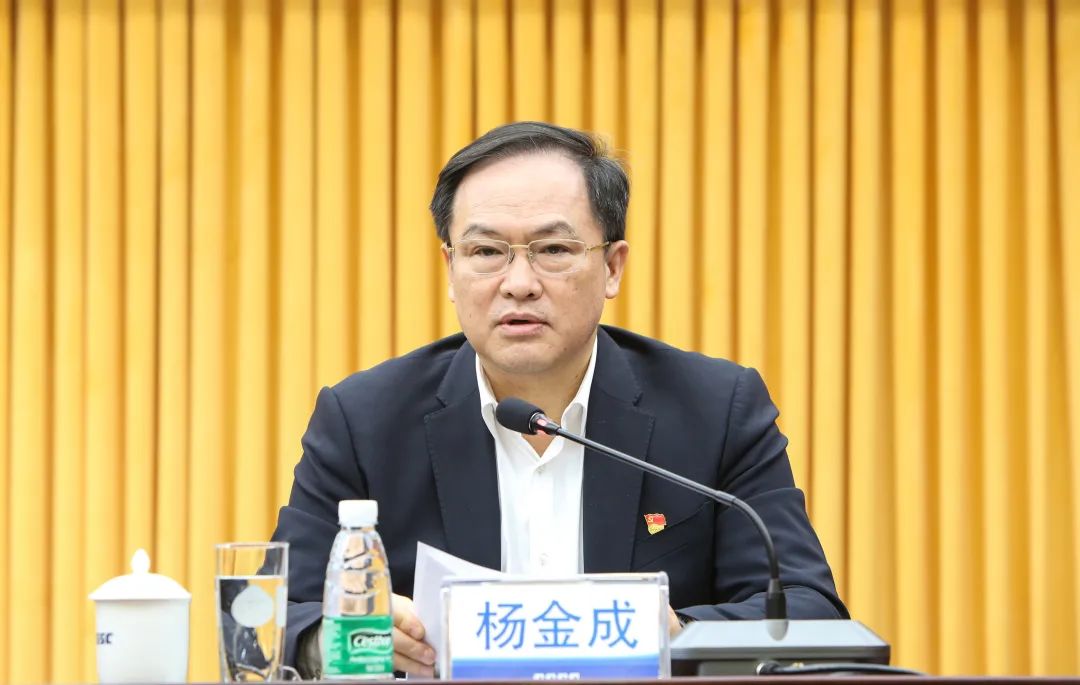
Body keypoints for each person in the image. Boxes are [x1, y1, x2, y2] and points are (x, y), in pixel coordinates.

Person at [271, 121, 847, 677]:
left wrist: (678, 635)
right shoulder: (364, 420)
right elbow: (278, 617)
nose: (519, 283)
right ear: (451, 268)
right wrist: (338, 639)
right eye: (486, 252)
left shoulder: (716, 410)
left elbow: (809, 612)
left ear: (612, 267)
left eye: (552, 249)